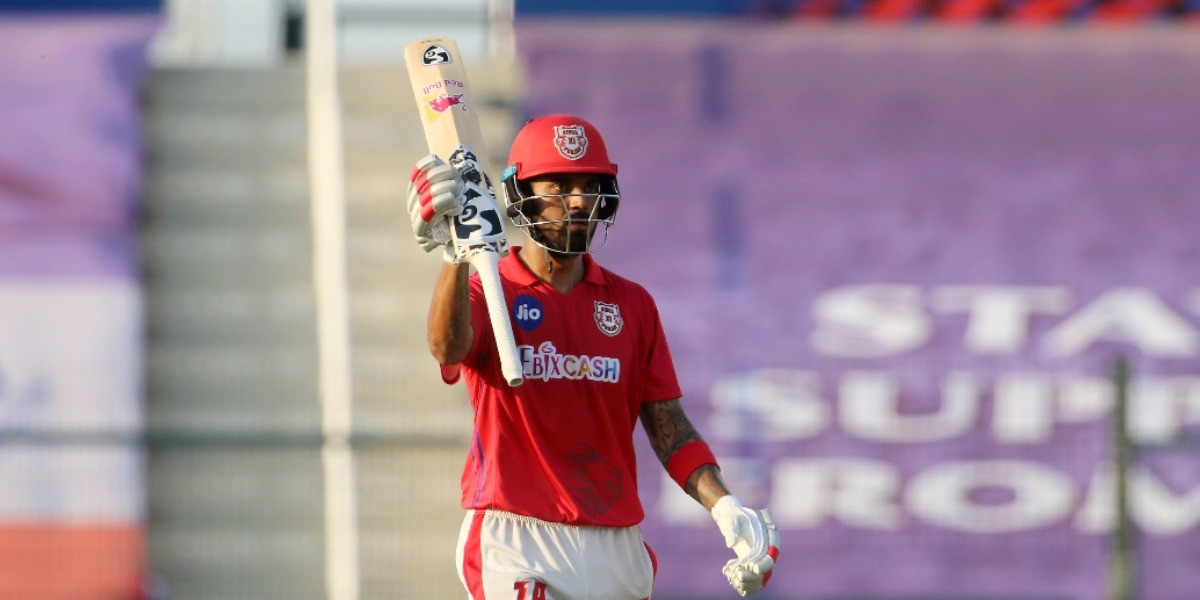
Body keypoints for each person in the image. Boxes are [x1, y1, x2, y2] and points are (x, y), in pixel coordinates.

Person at [406, 114, 779, 599]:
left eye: (590, 185)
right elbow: (446, 345)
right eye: (560, 186)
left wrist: (726, 507)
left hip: (616, 544)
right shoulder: (488, 289)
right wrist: (454, 255)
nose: (580, 200)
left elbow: (669, 428)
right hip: (516, 537)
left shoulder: (632, 305)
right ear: (520, 193)